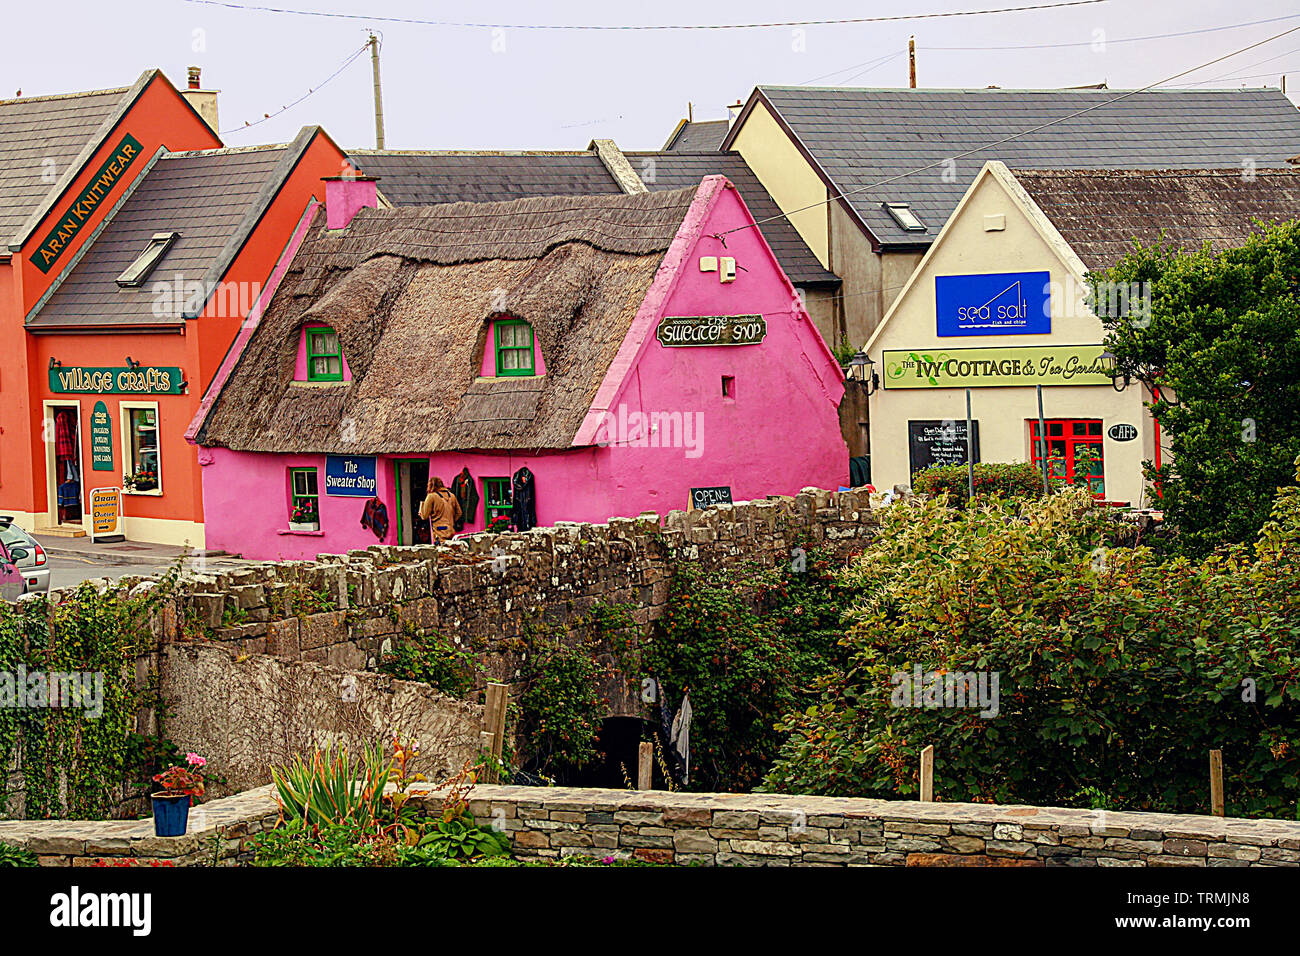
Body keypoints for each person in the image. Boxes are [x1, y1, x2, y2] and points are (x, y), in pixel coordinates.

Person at [419, 476, 462, 542]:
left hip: (439, 531)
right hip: (451, 529)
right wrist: (451, 521)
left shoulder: (431, 496)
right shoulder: (451, 495)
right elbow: (459, 513)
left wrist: (421, 509)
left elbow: (424, 516)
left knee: (441, 550)